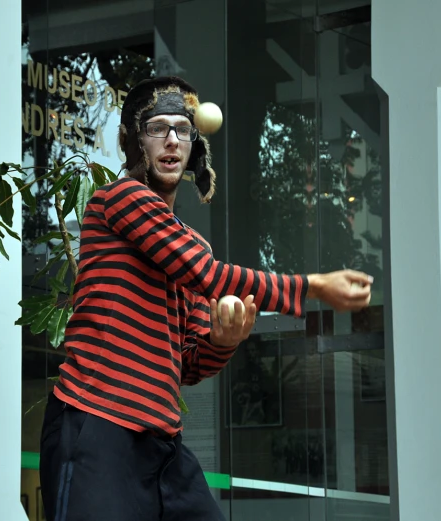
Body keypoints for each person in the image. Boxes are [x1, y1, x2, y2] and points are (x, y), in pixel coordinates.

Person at [39, 76, 372, 521]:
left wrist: (223, 341)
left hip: (160, 444)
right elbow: (207, 275)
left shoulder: (192, 242)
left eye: (182, 129)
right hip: (95, 423)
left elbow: (190, 363)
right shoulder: (119, 199)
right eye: (157, 128)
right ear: (133, 140)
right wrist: (312, 286)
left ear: (195, 146)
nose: (172, 139)